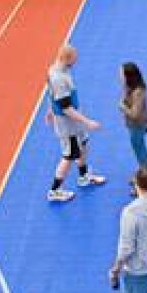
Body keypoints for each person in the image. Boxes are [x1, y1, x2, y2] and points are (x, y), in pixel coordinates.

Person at [46, 44, 106, 202]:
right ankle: (55, 190)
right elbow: (66, 108)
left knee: (84, 144)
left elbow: (52, 95)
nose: (76, 61)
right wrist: (88, 122)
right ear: (66, 58)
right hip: (68, 125)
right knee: (69, 155)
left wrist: (50, 110)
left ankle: (84, 176)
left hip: (75, 122)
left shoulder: (58, 69)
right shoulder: (58, 78)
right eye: (74, 59)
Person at [119, 63, 147, 177]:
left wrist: (123, 108)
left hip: (137, 125)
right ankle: (143, 169)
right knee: (139, 147)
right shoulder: (130, 88)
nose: (120, 76)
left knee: (139, 149)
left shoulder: (138, 92)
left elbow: (135, 114)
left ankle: (145, 174)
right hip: (135, 125)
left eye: (121, 74)